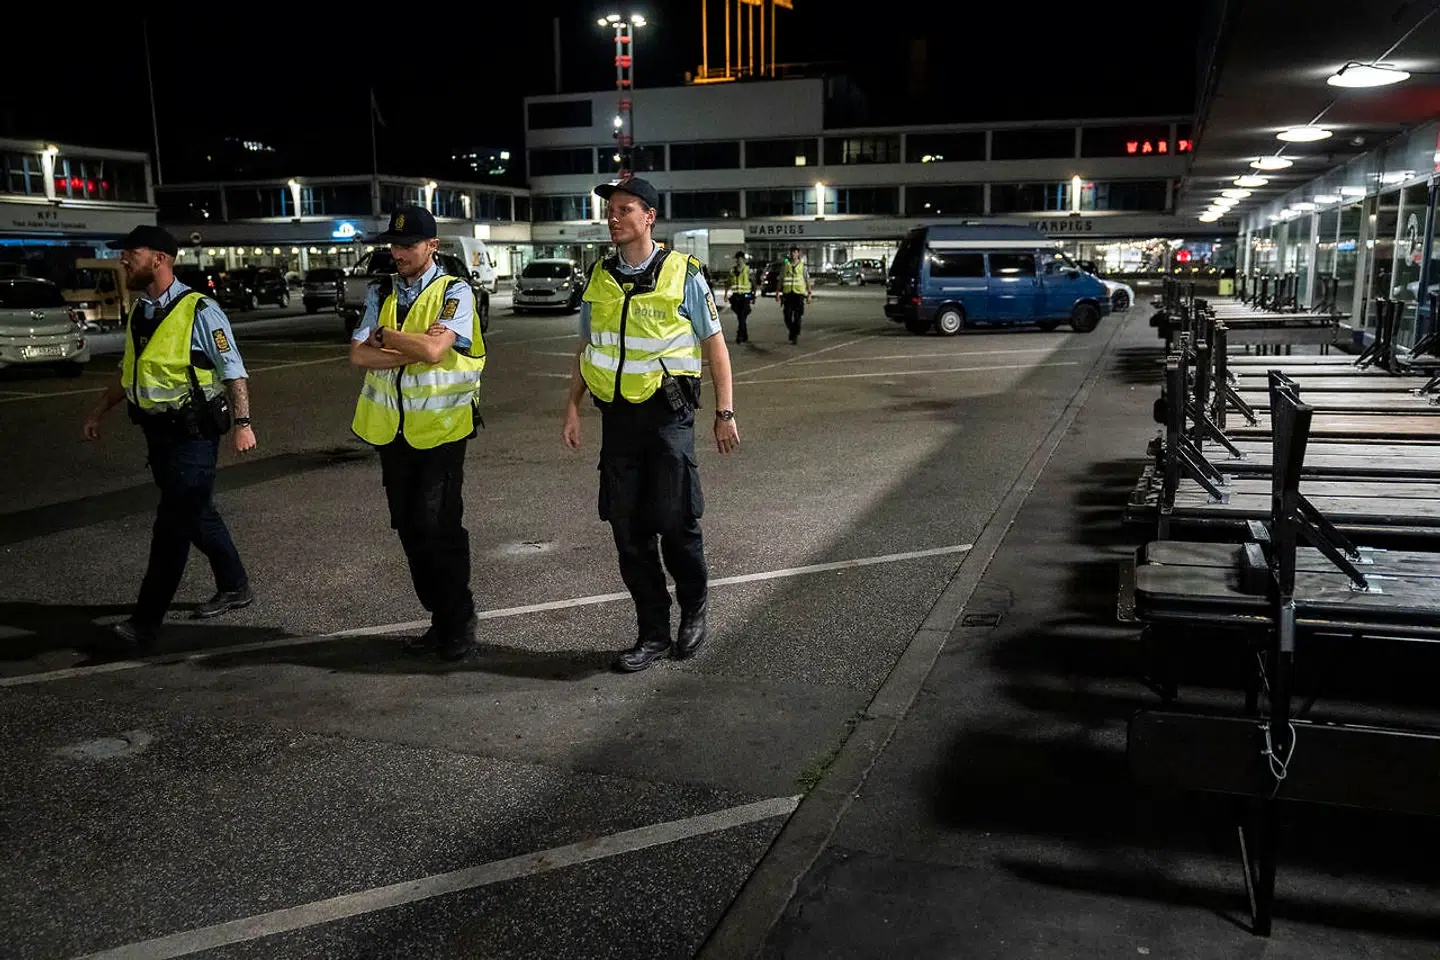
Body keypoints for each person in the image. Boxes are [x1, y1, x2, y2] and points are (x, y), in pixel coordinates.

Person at [562, 176, 740, 673]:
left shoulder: (684, 274)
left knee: (676, 523)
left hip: (668, 419)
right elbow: (587, 348)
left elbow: (716, 348)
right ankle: (653, 633)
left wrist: (724, 413)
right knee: (628, 532)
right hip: (618, 422)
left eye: (624, 209)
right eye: (610, 211)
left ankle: (695, 608)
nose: (614, 218)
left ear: (649, 217)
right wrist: (572, 405)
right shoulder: (598, 277)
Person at [82, 226, 256, 651]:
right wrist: (98, 411)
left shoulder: (201, 310)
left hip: (195, 436)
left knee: (172, 527)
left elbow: (233, 369)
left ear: (159, 258)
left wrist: (243, 422)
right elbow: (129, 373)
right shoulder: (140, 313)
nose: (123, 259)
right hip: (158, 437)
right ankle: (235, 585)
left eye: (132, 252)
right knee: (198, 515)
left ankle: (145, 622)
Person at [350, 205, 488, 661]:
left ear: (433, 246)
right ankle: (439, 619)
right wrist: (410, 347)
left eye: (409, 245)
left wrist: (386, 336)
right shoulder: (379, 291)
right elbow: (358, 357)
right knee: (409, 527)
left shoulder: (455, 293)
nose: (399, 252)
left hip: (441, 431)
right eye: (394, 244)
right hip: (393, 433)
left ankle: (458, 620)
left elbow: (435, 350)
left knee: (439, 527)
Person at [777, 245, 812, 344]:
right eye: (792, 252)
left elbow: (807, 280)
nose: (793, 254)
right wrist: (777, 293)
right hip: (788, 294)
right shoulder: (785, 266)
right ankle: (793, 331)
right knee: (787, 316)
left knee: (797, 317)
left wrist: (809, 294)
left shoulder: (802, 266)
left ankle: (794, 334)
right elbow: (780, 280)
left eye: (795, 252)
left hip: (798, 295)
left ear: (798, 254)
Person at [722, 250, 755, 344]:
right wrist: (725, 294)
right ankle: (744, 334)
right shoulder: (732, 271)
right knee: (741, 317)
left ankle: (740, 335)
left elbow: (754, 283)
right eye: (737, 259)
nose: (738, 261)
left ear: (743, 260)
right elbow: (728, 283)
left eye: (740, 259)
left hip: (746, 296)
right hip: (736, 297)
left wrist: (753, 296)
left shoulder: (748, 270)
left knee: (742, 315)